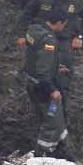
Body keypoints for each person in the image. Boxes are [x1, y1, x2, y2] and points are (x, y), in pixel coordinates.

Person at [21, 0, 83, 102]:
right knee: (39, 67)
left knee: (63, 71)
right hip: (41, 37)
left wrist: (81, 37)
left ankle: (60, 100)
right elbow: (27, 13)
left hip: (64, 39)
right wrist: (22, 35)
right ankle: (40, 95)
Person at [24, 10, 71, 154]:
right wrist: (52, 90)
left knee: (43, 116)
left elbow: (36, 58)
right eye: (63, 25)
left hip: (31, 82)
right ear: (59, 23)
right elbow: (43, 70)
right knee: (52, 120)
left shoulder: (34, 30)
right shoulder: (48, 40)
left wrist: (55, 67)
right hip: (43, 88)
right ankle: (43, 152)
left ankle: (62, 146)